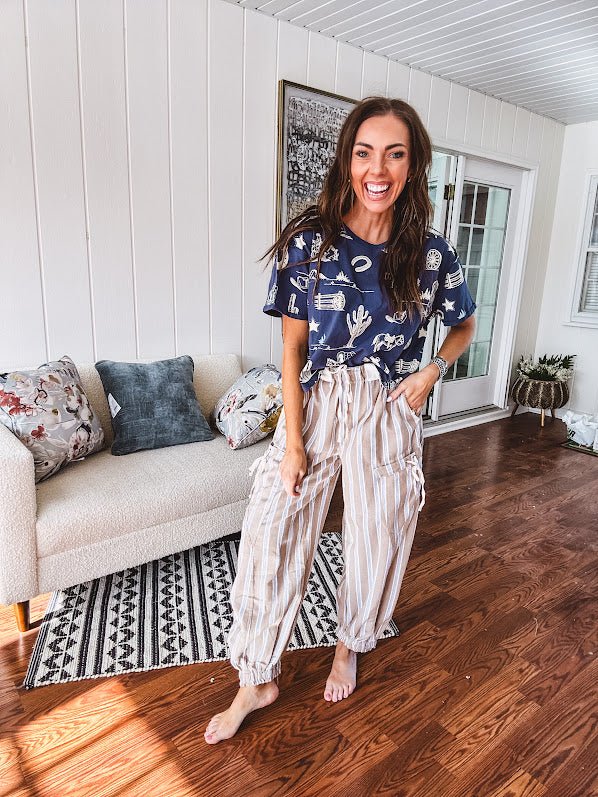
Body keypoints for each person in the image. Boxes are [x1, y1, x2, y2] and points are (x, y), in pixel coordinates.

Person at [204, 96, 476, 744]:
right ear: (347, 160)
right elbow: (293, 350)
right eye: (364, 152)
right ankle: (257, 674)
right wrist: (292, 442)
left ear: (413, 165)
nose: (377, 168)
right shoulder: (310, 243)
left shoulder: (432, 255)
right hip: (320, 397)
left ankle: (350, 643)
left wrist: (433, 368)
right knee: (272, 524)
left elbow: (464, 324)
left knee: (378, 532)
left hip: (388, 400)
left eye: (394, 153)